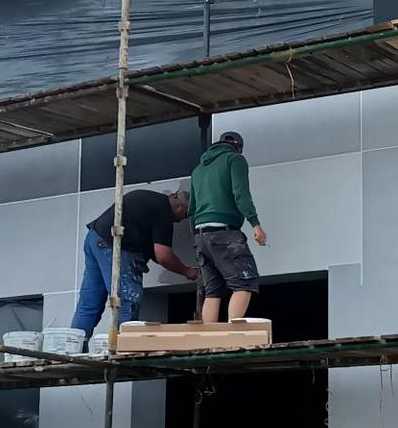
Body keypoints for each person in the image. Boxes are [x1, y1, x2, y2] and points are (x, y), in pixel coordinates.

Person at [71, 186, 197, 336]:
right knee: (128, 301)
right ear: (179, 206)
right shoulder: (164, 210)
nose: (183, 219)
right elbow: (163, 256)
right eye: (186, 215)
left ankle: (74, 344)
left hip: (96, 238)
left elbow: (154, 252)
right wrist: (187, 271)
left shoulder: (150, 202)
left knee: (89, 303)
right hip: (115, 245)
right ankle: (124, 345)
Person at [188, 130, 267, 323]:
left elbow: (191, 210)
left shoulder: (198, 170)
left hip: (201, 236)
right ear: (238, 147)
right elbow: (241, 193)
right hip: (224, 233)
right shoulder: (234, 160)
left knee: (212, 291)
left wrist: (197, 238)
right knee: (244, 282)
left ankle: (209, 337)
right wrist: (255, 224)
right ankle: (233, 334)